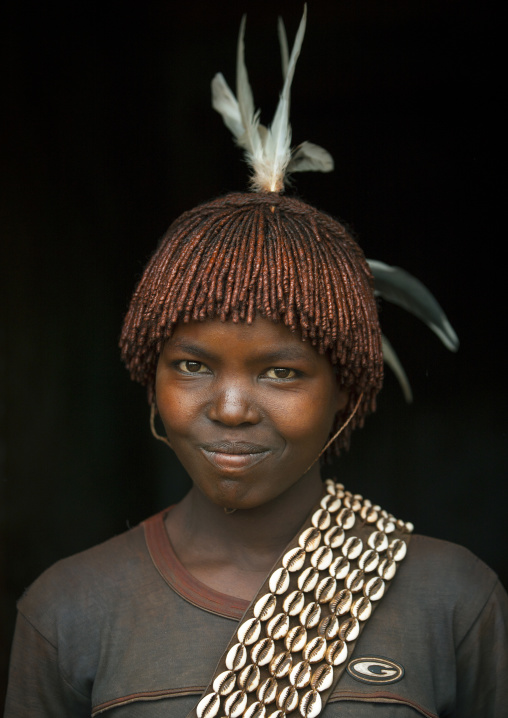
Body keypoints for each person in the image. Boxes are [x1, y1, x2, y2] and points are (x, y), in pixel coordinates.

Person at [5, 9, 508, 718]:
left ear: (348, 390)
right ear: (149, 373)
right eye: (191, 366)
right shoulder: (70, 610)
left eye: (282, 372)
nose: (232, 407)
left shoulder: (454, 601)